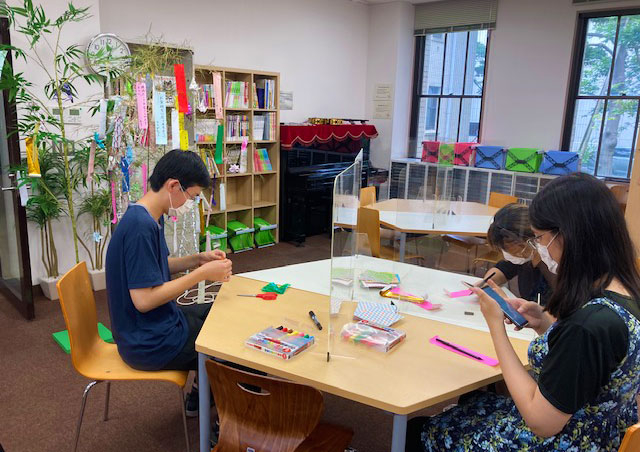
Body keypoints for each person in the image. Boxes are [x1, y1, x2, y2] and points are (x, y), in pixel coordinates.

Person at [407, 173, 640, 451]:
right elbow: (587, 365)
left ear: (566, 236)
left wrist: (496, 326)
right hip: (603, 429)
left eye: (540, 238)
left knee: (421, 430)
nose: (540, 250)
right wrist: (543, 322)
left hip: (564, 439)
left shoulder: (588, 325)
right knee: (473, 401)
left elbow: (541, 422)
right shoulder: (625, 291)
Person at [105, 150, 232, 415]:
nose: (191, 203)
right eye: (192, 196)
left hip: (154, 326)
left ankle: (199, 397)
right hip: (148, 342)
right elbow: (144, 300)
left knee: (218, 312)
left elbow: (156, 268)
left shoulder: (148, 215)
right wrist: (202, 274)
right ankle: (225, 421)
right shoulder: (141, 228)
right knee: (228, 343)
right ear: (174, 185)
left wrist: (197, 259)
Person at [481, 203, 554, 305]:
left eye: (507, 247)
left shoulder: (554, 267)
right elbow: (503, 269)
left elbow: (556, 315)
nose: (507, 254)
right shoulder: (523, 257)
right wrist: (486, 284)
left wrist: (508, 304)